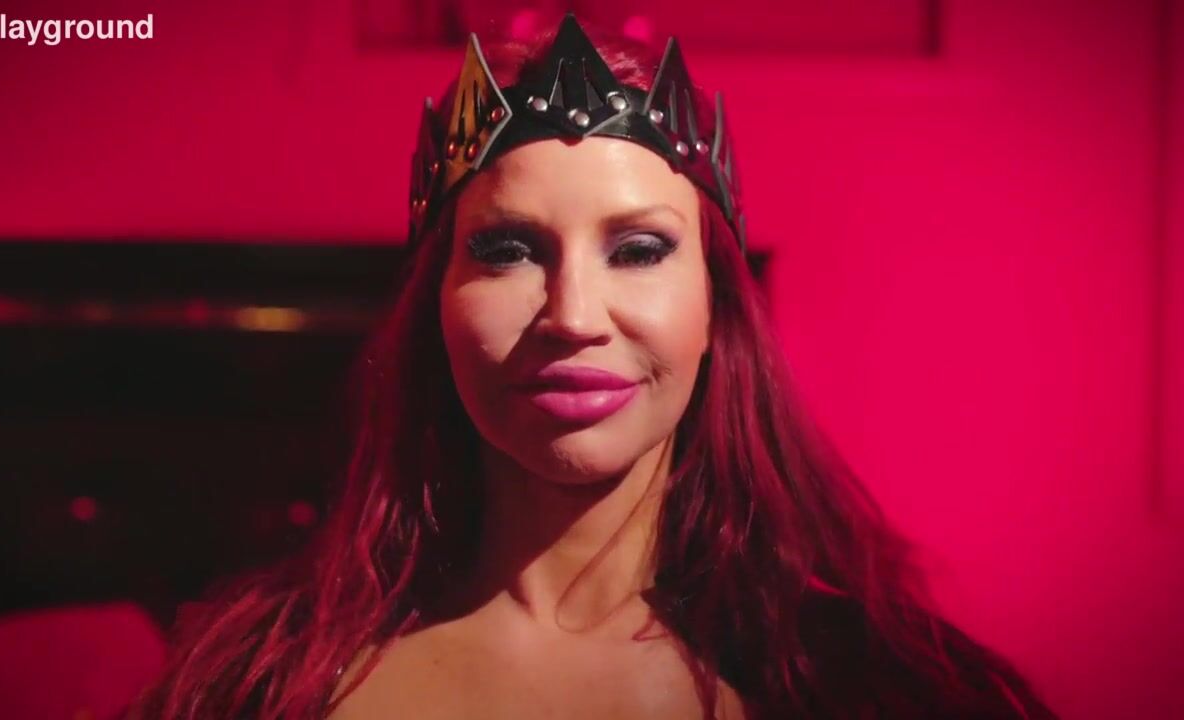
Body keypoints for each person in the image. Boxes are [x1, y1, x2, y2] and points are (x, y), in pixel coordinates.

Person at [132, 14, 1057, 720]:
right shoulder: (260, 682)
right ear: (436, 305)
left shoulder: (885, 691)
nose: (573, 317)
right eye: (507, 250)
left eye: (640, 250)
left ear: (715, 309)